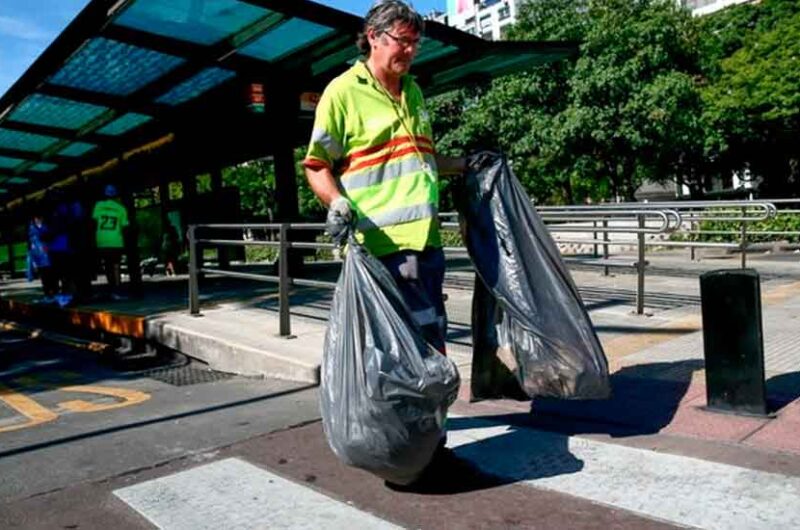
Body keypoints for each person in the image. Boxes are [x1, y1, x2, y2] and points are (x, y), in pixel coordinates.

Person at [303, 0, 466, 483]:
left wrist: (468, 164)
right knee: (402, 350)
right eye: (403, 41)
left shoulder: (414, 91)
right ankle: (406, 448)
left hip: (424, 245)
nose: (411, 51)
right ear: (373, 37)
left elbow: (421, 164)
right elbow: (316, 165)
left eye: (416, 42)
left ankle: (427, 443)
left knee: (428, 341)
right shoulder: (342, 93)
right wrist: (336, 201)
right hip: (384, 249)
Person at [92, 184, 129, 300]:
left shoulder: (98, 206)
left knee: (107, 266)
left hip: (101, 241)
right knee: (116, 266)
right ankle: (117, 290)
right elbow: (125, 225)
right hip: (116, 241)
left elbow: (94, 220)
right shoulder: (121, 208)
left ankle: (111, 288)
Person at [28, 212, 56, 303]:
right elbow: (32, 246)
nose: (38, 219)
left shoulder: (46, 227)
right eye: (36, 218)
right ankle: (48, 294)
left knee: (51, 276)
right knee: (44, 278)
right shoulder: (32, 229)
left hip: (48, 256)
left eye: (39, 217)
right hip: (40, 258)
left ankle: (53, 293)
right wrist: (34, 262)